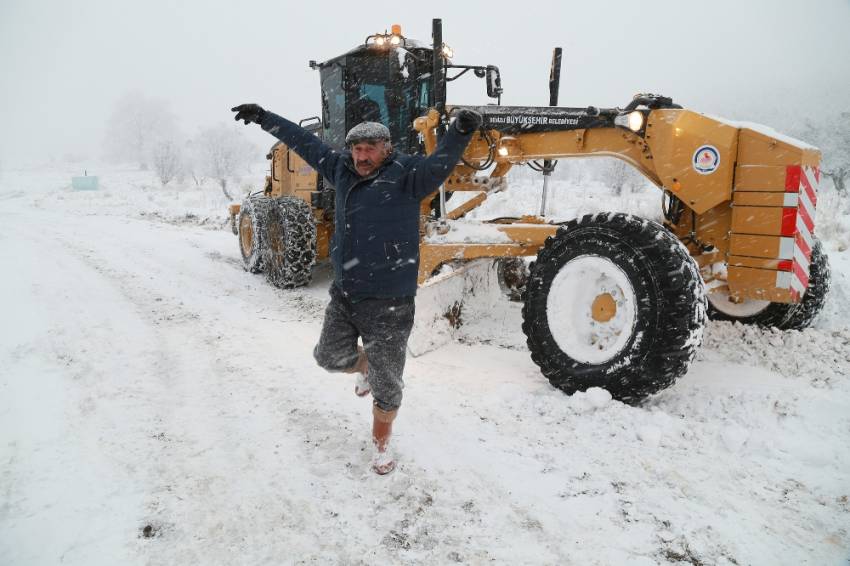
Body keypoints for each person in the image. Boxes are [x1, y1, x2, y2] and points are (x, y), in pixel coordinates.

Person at [232, 103, 482, 474]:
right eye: (356, 149)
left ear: (385, 148)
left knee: (388, 386)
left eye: (369, 149)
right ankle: (365, 366)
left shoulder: (409, 174)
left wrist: (460, 130)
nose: (361, 157)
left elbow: (441, 162)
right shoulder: (340, 169)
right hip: (346, 293)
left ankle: (381, 446)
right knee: (328, 357)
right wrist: (265, 117)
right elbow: (302, 141)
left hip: (390, 302)